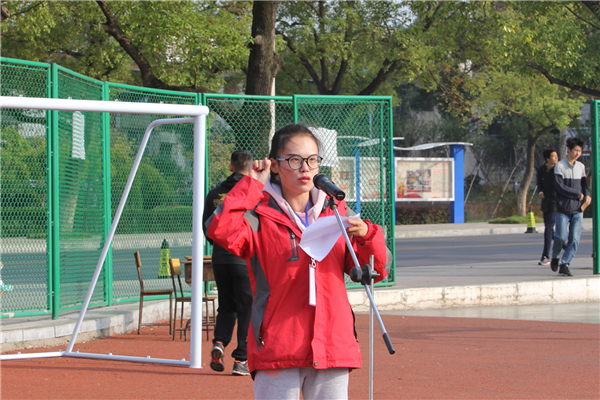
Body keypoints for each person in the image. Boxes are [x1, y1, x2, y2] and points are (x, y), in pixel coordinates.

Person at [206, 124, 389, 399]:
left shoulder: (337, 211)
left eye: (312, 160)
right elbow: (220, 230)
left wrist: (367, 235)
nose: (305, 168)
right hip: (277, 345)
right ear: (275, 165)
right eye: (294, 160)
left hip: (332, 344)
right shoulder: (258, 214)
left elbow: (375, 269)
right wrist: (251, 185)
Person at [202, 150, 254, 376]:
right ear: (251, 168)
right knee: (246, 308)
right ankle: (241, 359)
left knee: (226, 306)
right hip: (243, 258)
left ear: (231, 166)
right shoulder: (252, 193)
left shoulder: (214, 193)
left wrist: (219, 245)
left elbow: (207, 227)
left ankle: (220, 342)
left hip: (220, 257)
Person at [550, 138, 591, 277]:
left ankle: (565, 264)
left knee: (574, 239)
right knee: (560, 237)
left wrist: (587, 195)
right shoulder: (560, 166)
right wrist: (577, 194)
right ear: (568, 149)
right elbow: (560, 187)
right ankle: (555, 256)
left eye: (580, 151)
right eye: (575, 150)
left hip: (578, 209)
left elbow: (584, 184)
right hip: (563, 208)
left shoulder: (581, 167)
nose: (578, 153)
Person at [536, 148, 558, 266]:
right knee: (549, 230)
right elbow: (539, 184)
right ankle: (565, 246)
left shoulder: (558, 169)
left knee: (548, 228)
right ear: (547, 159)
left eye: (556, 156)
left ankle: (545, 256)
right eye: (554, 156)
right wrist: (540, 192)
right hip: (546, 203)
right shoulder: (541, 170)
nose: (556, 158)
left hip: (556, 202)